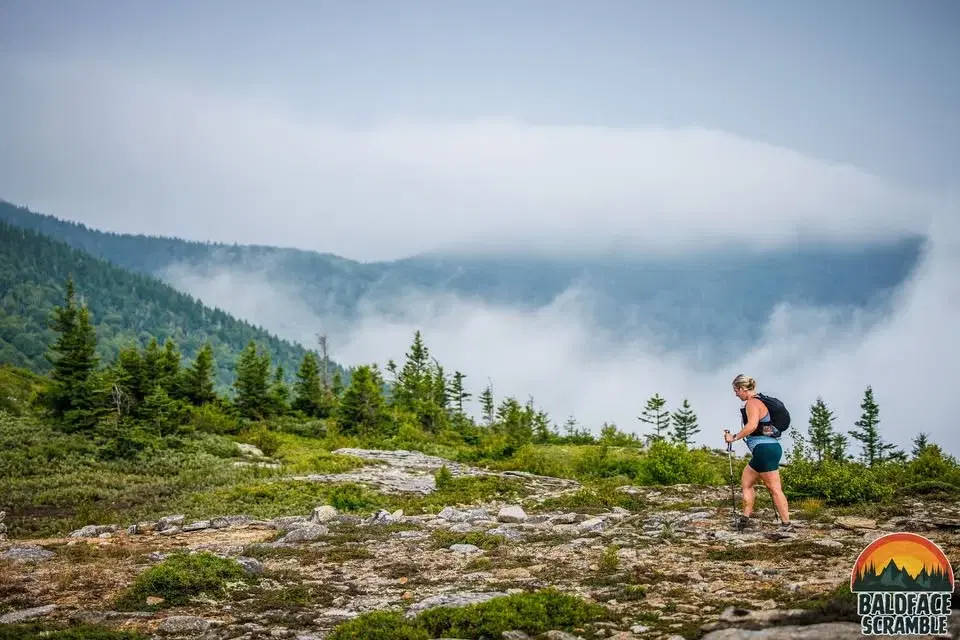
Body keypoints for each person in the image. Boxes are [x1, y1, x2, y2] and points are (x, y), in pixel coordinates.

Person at [723, 374, 792, 532]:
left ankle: (787, 524)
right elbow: (762, 428)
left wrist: (733, 437)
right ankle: (744, 519)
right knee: (746, 483)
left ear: (742, 389)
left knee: (774, 488)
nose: (735, 394)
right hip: (769, 448)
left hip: (764, 450)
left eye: (736, 391)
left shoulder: (752, 403)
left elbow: (752, 426)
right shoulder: (760, 401)